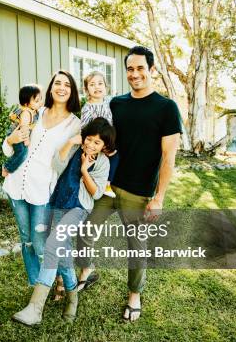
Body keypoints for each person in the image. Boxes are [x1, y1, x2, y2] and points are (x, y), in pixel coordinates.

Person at [77, 45, 183, 322]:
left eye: (140, 68)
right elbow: (102, 136)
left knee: (136, 246)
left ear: (151, 70)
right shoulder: (116, 103)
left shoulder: (166, 108)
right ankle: (87, 272)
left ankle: (134, 295)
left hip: (139, 192)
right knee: (85, 231)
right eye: (130, 69)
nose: (134, 74)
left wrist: (158, 197)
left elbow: (169, 157)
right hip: (109, 186)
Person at [12, 117, 116, 326]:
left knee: (53, 246)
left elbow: (95, 194)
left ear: (105, 145)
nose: (91, 144)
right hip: (57, 203)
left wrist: (85, 170)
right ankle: (72, 298)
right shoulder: (75, 149)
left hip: (78, 208)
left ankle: (35, 308)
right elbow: (57, 165)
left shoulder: (103, 162)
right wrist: (70, 143)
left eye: (97, 142)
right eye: (89, 139)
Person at [2, 71, 81, 288]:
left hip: (41, 190)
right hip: (16, 185)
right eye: (57, 83)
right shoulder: (35, 111)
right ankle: (36, 285)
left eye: (67, 84)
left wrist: (70, 144)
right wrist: (10, 140)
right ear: (51, 87)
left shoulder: (74, 124)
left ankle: (58, 280)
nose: (61, 87)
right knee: (26, 240)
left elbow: (60, 165)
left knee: (40, 243)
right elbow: (10, 146)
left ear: (72, 91)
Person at [80, 71, 119, 199]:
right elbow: (84, 128)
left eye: (100, 83)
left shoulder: (109, 102)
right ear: (86, 90)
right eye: (92, 84)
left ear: (106, 88)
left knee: (114, 156)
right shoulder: (88, 107)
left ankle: (107, 183)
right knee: (99, 162)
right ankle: (99, 185)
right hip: (95, 141)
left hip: (107, 139)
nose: (97, 87)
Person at [2, 84, 42, 176]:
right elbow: (24, 127)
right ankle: (7, 167)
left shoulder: (34, 110)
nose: (40, 102)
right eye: (36, 101)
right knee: (22, 153)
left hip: (19, 135)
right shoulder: (27, 113)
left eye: (40, 99)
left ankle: (8, 167)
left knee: (21, 153)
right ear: (26, 104)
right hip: (19, 135)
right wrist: (26, 140)